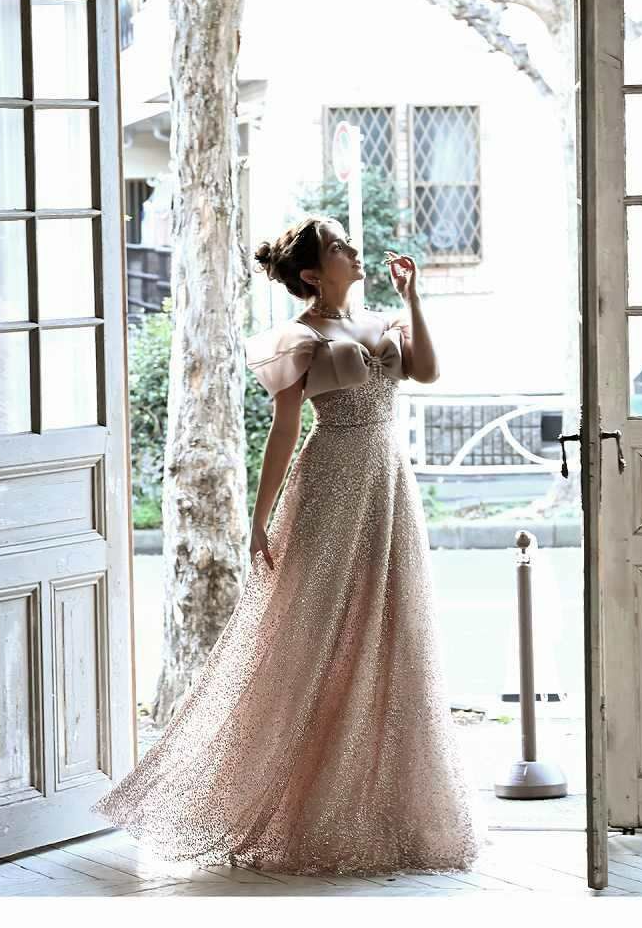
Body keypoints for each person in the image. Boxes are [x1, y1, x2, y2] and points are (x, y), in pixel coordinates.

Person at [90, 215, 488, 876]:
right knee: (312, 636)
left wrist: (414, 296)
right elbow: (285, 430)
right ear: (312, 273)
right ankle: (296, 800)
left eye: (347, 242)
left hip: (389, 485)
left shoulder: (384, 321)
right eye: (337, 246)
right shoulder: (299, 337)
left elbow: (428, 372)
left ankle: (386, 810)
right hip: (330, 483)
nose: (352, 250)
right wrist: (260, 516)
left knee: (395, 630)